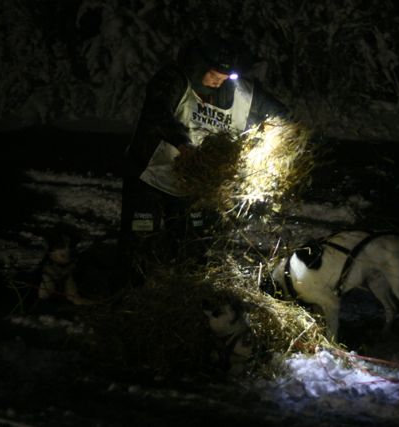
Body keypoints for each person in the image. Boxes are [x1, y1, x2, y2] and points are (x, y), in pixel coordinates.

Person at [120, 38, 289, 280]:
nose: (219, 81)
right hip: (150, 177)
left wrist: (273, 132)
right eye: (214, 74)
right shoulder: (174, 80)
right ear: (199, 66)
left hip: (194, 187)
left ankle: (187, 287)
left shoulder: (240, 92)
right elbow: (157, 112)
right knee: (142, 245)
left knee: (193, 248)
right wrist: (183, 144)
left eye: (225, 77)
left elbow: (281, 115)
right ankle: (134, 287)